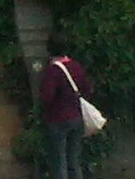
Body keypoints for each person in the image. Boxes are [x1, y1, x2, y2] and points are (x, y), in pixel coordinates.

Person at [39, 43, 90, 179]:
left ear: (49, 51)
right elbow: (87, 89)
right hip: (76, 118)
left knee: (59, 162)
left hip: (58, 119)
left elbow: (47, 97)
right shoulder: (76, 66)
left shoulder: (52, 71)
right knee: (73, 161)